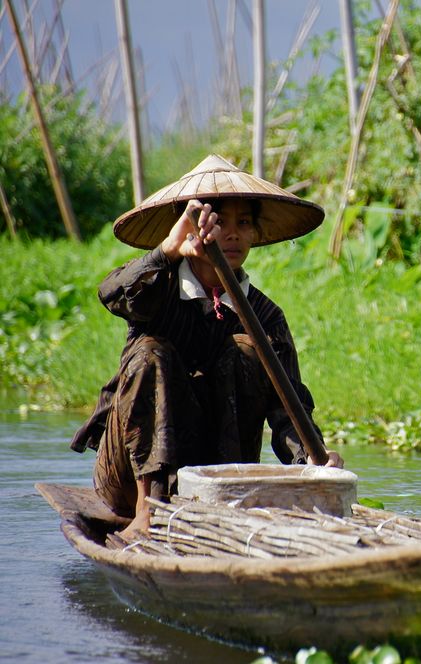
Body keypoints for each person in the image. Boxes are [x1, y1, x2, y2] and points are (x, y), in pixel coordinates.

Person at [70, 155, 342, 541]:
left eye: (242, 223)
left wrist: (314, 460)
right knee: (151, 353)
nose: (230, 234)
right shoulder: (156, 289)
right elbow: (110, 293)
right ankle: (150, 509)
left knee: (247, 350)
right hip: (129, 478)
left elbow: (288, 409)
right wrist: (166, 251)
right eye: (218, 222)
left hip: (215, 477)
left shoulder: (264, 317)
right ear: (189, 229)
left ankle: (216, 508)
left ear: (253, 235)